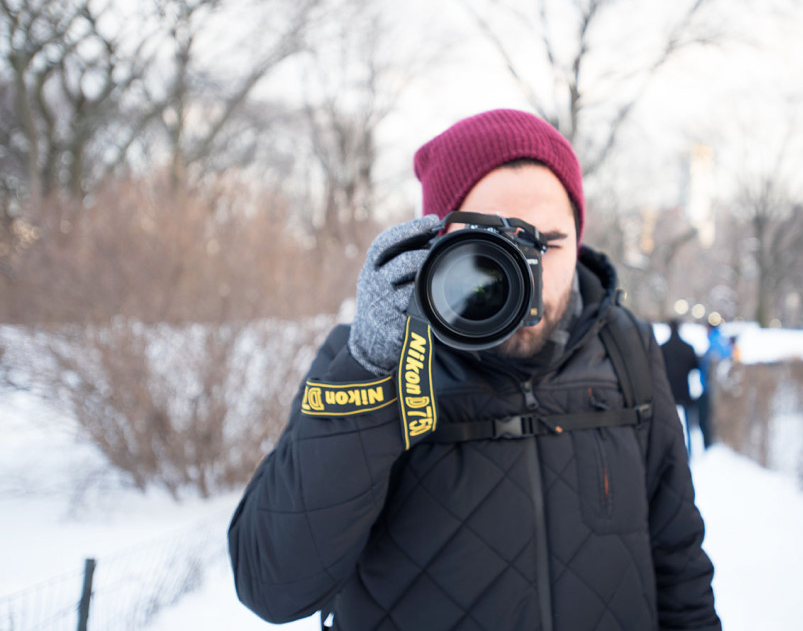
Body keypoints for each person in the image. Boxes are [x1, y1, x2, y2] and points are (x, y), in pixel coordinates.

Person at [228, 109, 721, 630]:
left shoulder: (625, 349)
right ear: (436, 244)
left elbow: (679, 563)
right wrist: (372, 371)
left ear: (580, 239)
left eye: (548, 244)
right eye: (494, 246)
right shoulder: (369, 360)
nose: (526, 276)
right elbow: (272, 585)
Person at [659, 318, 700, 451]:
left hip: (667, 391)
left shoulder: (663, 348)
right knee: (688, 426)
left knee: (666, 424)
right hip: (684, 390)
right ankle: (689, 451)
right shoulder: (687, 348)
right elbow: (695, 366)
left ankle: (670, 450)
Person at [695, 321, 733, 449]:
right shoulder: (723, 341)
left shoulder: (714, 343)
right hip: (717, 390)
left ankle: (710, 448)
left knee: (706, 421)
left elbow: (710, 367)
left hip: (710, 390)